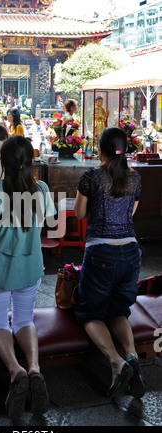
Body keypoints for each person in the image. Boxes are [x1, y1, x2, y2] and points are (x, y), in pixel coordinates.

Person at [0, 135, 56, 419]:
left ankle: (15, 370)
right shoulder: (42, 189)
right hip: (30, 266)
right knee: (24, 318)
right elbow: (47, 222)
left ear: (1, 162)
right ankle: (34, 367)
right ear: (31, 162)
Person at [74, 126, 145, 399]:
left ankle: (116, 363)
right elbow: (131, 213)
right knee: (119, 310)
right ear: (124, 149)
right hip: (130, 251)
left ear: (100, 150)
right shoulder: (135, 178)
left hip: (101, 252)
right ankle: (132, 356)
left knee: (90, 313)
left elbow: (80, 213)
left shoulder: (91, 176)